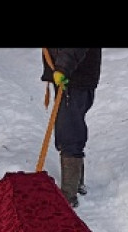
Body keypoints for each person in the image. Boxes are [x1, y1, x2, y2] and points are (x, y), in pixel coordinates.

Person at [40, 48, 102, 207]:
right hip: (67, 76)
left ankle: (69, 193)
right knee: (67, 128)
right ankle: (77, 183)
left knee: (69, 131)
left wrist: (62, 68)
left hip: (75, 78)